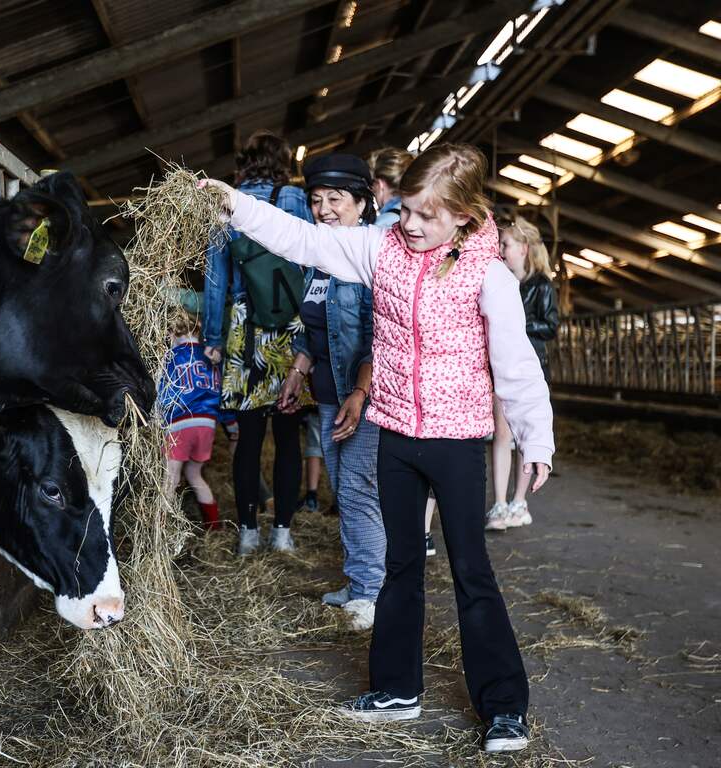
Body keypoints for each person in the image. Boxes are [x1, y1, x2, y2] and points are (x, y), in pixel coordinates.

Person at [200, 143, 554, 754]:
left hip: (456, 441)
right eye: (407, 210)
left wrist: (535, 438)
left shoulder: (488, 275)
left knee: (472, 571)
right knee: (400, 566)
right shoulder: (380, 249)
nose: (410, 225)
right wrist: (234, 205)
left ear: (465, 217)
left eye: (427, 216)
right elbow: (304, 241)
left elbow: (516, 364)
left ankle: (503, 708)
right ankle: (396, 689)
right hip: (396, 436)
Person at [277, 153, 385, 631]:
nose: (324, 209)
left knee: (359, 490)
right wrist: (298, 369)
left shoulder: (368, 262)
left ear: (363, 204)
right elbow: (312, 329)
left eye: (335, 200)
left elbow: (380, 339)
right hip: (327, 393)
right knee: (343, 487)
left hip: (361, 397)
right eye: (317, 200)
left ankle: (371, 591)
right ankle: (360, 580)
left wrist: (359, 395)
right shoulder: (319, 261)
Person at [202, 130, 315, 555]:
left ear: (245, 162)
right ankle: (282, 531)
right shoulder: (296, 198)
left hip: (245, 331)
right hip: (289, 330)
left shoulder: (225, 201)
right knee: (288, 439)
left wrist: (212, 338)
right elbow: (311, 260)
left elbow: (216, 279)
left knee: (248, 441)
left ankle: (247, 531)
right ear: (283, 162)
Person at [486, 217, 560, 532]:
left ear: (524, 249)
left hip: (530, 365)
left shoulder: (541, 285)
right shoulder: (498, 281)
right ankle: (500, 503)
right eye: (500, 244)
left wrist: (514, 325)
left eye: (506, 245)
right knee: (501, 434)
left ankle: (519, 501)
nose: (500, 250)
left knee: (523, 434)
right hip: (501, 364)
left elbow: (551, 325)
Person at [160, 308, 222, 531]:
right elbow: (219, 389)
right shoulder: (210, 355)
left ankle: (160, 530)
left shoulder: (172, 357)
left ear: (173, 333)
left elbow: (163, 392)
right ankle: (214, 527)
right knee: (194, 474)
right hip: (207, 424)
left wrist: (159, 420)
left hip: (180, 423)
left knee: (171, 477)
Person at [369, 146, 413, 227]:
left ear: (380, 184)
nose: (372, 190)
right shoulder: (416, 213)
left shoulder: (381, 225)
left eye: (372, 185)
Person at [301, 409, 323, 512]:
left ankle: (311, 496)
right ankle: (339, 500)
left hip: (321, 403)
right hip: (346, 402)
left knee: (314, 446)